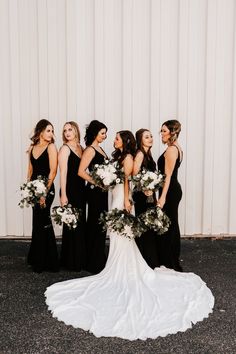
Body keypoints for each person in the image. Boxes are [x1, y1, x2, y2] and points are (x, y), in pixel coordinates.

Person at [45, 130, 214, 340]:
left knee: (121, 233)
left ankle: (123, 267)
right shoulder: (118, 156)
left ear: (123, 141)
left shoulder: (127, 157)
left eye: (116, 137)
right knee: (117, 235)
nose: (113, 140)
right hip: (115, 196)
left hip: (120, 200)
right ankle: (117, 264)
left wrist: (126, 200)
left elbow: (127, 179)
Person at [27, 119, 59, 273]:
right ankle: (37, 257)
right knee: (37, 221)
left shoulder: (51, 147)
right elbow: (30, 170)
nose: (51, 134)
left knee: (43, 221)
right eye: (48, 130)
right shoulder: (33, 147)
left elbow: (53, 171)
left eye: (52, 131)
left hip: (47, 189)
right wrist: (28, 188)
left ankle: (48, 261)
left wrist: (44, 194)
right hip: (34, 189)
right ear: (40, 131)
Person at [78, 120, 108, 274]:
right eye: (102, 133)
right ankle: (93, 261)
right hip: (94, 192)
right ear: (95, 133)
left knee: (101, 223)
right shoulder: (90, 150)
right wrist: (97, 182)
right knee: (96, 223)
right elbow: (81, 171)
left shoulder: (100, 148)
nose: (105, 136)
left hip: (102, 192)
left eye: (105, 133)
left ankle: (98, 257)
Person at [58, 121, 86, 271]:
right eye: (65, 131)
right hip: (69, 190)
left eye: (70, 129)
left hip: (80, 190)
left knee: (80, 223)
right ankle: (70, 261)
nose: (67, 133)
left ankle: (80, 258)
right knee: (71, 224)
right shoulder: (64, 149)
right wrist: (63, 194)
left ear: (76, 131)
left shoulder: (81, 148)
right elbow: (62, 173)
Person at [157, 119, 183, 271]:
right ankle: (171, 257)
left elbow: (167, 176)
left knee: (170, 224)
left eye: (164, 131)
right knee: (172, 223)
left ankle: (170, 259)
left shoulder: (172, 150)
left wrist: (162, 197)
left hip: (170, 190)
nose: (161, 134)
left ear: (173, 133)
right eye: (161, 130)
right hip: (172, 189)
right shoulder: (175, 148)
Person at [133, 128, 159, 268]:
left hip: (149, 194)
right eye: (146, 137)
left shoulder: (148, 154)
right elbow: (134, 175)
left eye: (151, 136)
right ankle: (145, 260)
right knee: (144, 226)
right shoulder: (140, 154)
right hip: (142, 195)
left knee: (149, 226)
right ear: (140, 140)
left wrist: (152, 188)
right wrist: (145, 189)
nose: (150, 138)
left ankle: (150, 259)